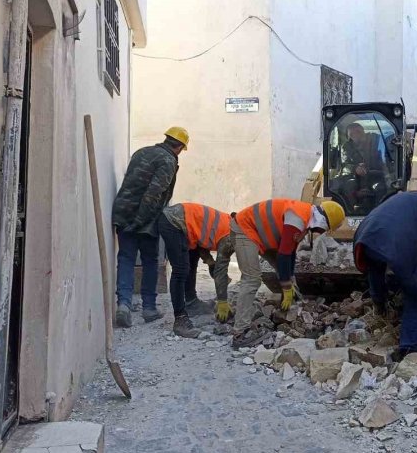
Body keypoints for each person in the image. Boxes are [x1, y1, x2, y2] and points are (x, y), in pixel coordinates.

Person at [353, 183, 417, 360]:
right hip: (399, 246)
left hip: (365, 237)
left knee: (376, 267)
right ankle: (409, 347)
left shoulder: (408, 198)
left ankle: (380, 305)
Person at [230, 198, 345, 347]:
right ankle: (240, 333)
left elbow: (290, 252)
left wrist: (290, 279)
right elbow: (283, 254)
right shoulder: (297, 219)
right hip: (244, 228)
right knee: (252, 279)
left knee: (284, 271)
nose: (321, 233)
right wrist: (286, 286)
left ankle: (292, 303)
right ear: (323, 222)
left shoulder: (305, 220)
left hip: (260, 233)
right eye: (324, 229)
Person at [111, 127, 188, 328]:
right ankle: (149, 308)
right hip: (145, 219)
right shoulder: (169, 161)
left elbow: (131, 183)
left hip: (123, 211)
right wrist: (140, 221)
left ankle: (124, 305)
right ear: (179, 147)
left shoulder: (141, 152)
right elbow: (154, 193)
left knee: (126, 258)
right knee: (150, 261)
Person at [158, 202, 234, 337]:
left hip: (183, 225)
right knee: (181, 270)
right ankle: (180, 320)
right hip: (174, 223)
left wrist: (210, 262)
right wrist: (222, 301)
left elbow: (201, 241)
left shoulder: (229, 224)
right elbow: (221, 270)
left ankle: (191, 302)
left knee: (192, 258)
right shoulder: (230, 236)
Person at [337, 123, 388, 211]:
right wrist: (355, 169)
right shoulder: (346, 147)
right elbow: (344, 164)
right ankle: (349, 213)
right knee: (347, 186)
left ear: (364, 132)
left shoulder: (376, 140)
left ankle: (379, 213)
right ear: (349, 137)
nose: (356, 136)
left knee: (383, 188)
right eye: (352, 134)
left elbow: (386, 160)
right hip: (356, 180)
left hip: (378, 176)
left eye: (358, 132)